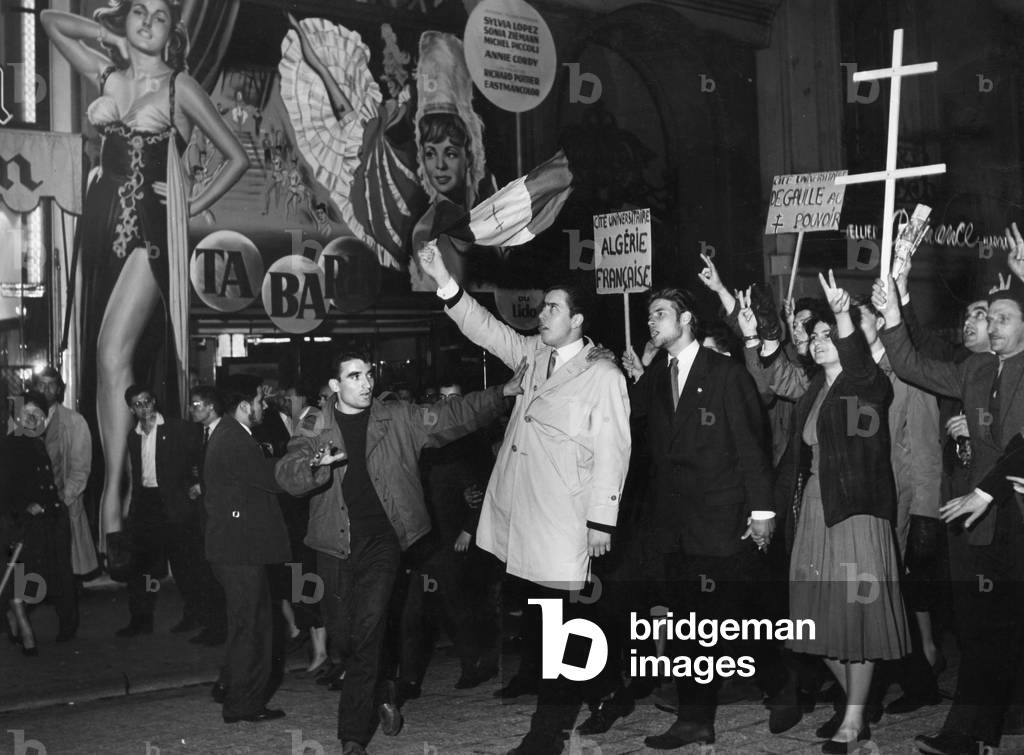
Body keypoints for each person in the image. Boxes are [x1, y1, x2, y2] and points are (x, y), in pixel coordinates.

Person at [41, 2, 248, 548]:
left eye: (159, 14)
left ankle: (118, 491)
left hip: (151, 234)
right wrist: (108, 36)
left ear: (173, 29)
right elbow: (51, 23)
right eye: (139, 11)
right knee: (105, 361)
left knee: (113, 353)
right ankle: (122, 482)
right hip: (102, 226)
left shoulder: (181, 86)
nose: (149, 22)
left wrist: (189, 203)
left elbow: (237, 157)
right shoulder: (108, 74)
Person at [418, 245, 631, 755]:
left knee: (558, 626)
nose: (543, 313)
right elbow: (487, 329)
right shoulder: (534, 355)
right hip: (524, 515)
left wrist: (601, 521)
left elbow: (614, 450)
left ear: (577, 320)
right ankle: (609, 690)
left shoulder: (603, 376)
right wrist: (444, 280)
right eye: (544, 306)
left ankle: (546, 735)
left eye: (553, 307)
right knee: (548, 623)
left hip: (565, 522)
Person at [275, 351, 517, 755]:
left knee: (369, 630)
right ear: (335, 386)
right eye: (354, 376)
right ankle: (384, 686)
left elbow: (450, 415)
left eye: (368, 374)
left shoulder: (397, 417)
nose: (366, 382)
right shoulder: (315, 423)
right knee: (344, 638)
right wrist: (314, 466)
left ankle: (352, 737)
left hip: (384, 542)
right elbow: (287, 471)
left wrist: (500, 394)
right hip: (334, 544)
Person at [621, 287, 785, 750]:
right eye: (649, 315)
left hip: (720, 519)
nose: (651, 321)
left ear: (686, 319)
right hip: (674, 527)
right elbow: (632, 420)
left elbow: (751, 445)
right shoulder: (659, 374)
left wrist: (761, 511)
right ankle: (694, 719)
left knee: (735, 618)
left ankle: (784, 686)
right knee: (688, 625)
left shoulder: (725, 372)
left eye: (660, 314)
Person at [873, 275, 1024, 755]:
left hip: (1010, 512)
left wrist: (986, 490)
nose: (992, 326)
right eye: (989, 317)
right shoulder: (976, 368)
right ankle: (973, 731)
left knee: (1002, 628)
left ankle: (983, 728)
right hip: (975, 518)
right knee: (981, 628)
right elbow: (911, 365)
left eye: (1004, 318)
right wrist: (892, 316)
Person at [774, 273, 909, 753]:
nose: (818, 340)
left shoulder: (867, 386)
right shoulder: (814, 390)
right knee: (811, 618)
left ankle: (853, 719)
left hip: (855, 512)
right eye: (814, 336)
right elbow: (773, 375)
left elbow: (862, 370)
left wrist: (842, 316)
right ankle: (859, 703)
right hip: (815, 511)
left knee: (858, 616)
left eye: (827, 334)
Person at [203, 377, 290, 724]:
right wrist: (310, 464)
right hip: (239, 551)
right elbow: (270, 478)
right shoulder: (234, 437)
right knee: (253, 627)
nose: (263, 406)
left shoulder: (230, 432)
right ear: (243, 406)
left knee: (246, 623)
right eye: (258, 401)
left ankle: (230, 688)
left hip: (235, 548)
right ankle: (243, 704)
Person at [117, 385, 202, 637]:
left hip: (174, 503)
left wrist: (196, 486)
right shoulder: (133, 437)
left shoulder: (178, 428)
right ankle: (141, 620)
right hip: (146, 503)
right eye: (138, 404)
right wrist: (132, 511)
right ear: (131, 409)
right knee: (142, 567)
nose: (144, 408)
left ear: (154, 401)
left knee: (183, 564)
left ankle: (194, 616)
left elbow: (198, 458)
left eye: (147, 401)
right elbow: (136, 475)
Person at [1, 392, 77, 655]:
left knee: (34, 574)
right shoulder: (10, 445)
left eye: (39, 415)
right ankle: (23, 625)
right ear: (18, 416)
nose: (32, 419)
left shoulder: (36, 443)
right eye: (28, 413)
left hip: (42, 521)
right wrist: (24, 506)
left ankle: (14, 615)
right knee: (23, 573)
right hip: (18, 523)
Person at [33, 367, 97, 586]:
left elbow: (81, 469)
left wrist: (63, 497)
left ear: (59, 389)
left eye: (51, 385)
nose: (46, 390)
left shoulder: (74, 421)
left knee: (64, 569)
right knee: (33, 568)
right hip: (32, 508)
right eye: (41, 384)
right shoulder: (23, 420)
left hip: (62, 505)